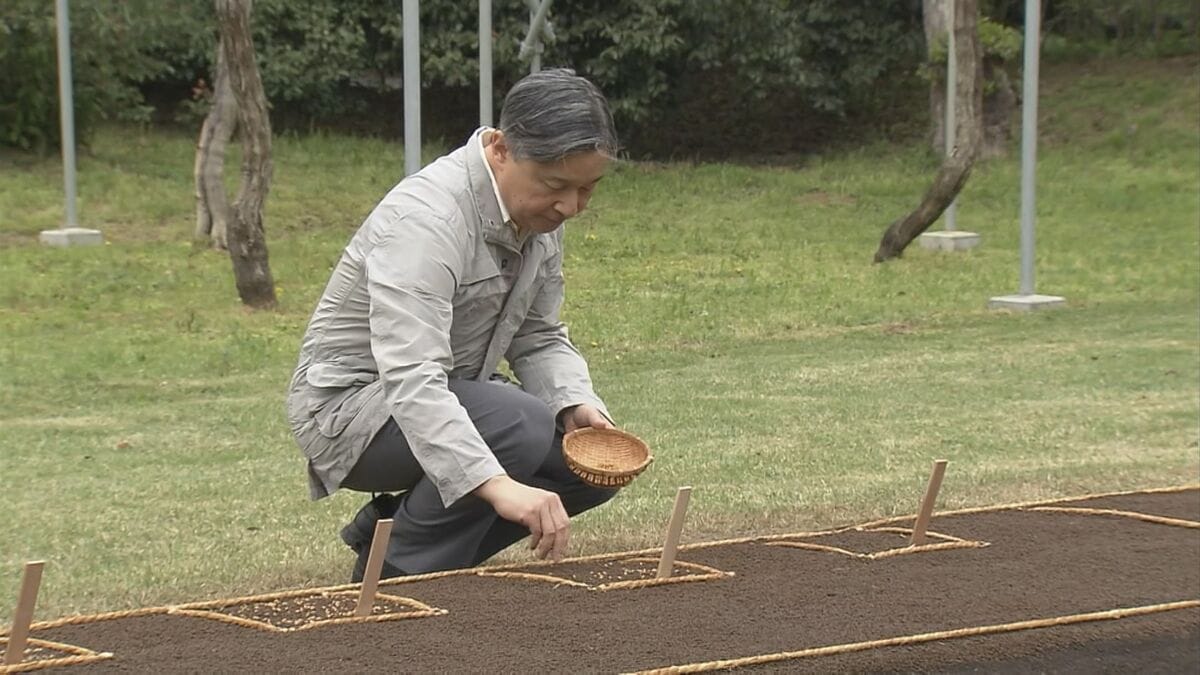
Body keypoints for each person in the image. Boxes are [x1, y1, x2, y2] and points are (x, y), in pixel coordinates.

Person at [285, 69, 621, 582]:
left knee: (589, 467)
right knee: (519, 425)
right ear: (502, 149)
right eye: (557, 186)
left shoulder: (538, 218)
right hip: (349, 415)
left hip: (453, 398)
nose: (571, 207)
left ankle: (403, 534)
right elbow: (412, 377)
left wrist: (577, 404)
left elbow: (539, 335)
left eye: (587, 189)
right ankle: (393, 579)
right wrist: (497, 483)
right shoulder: (426, 222)